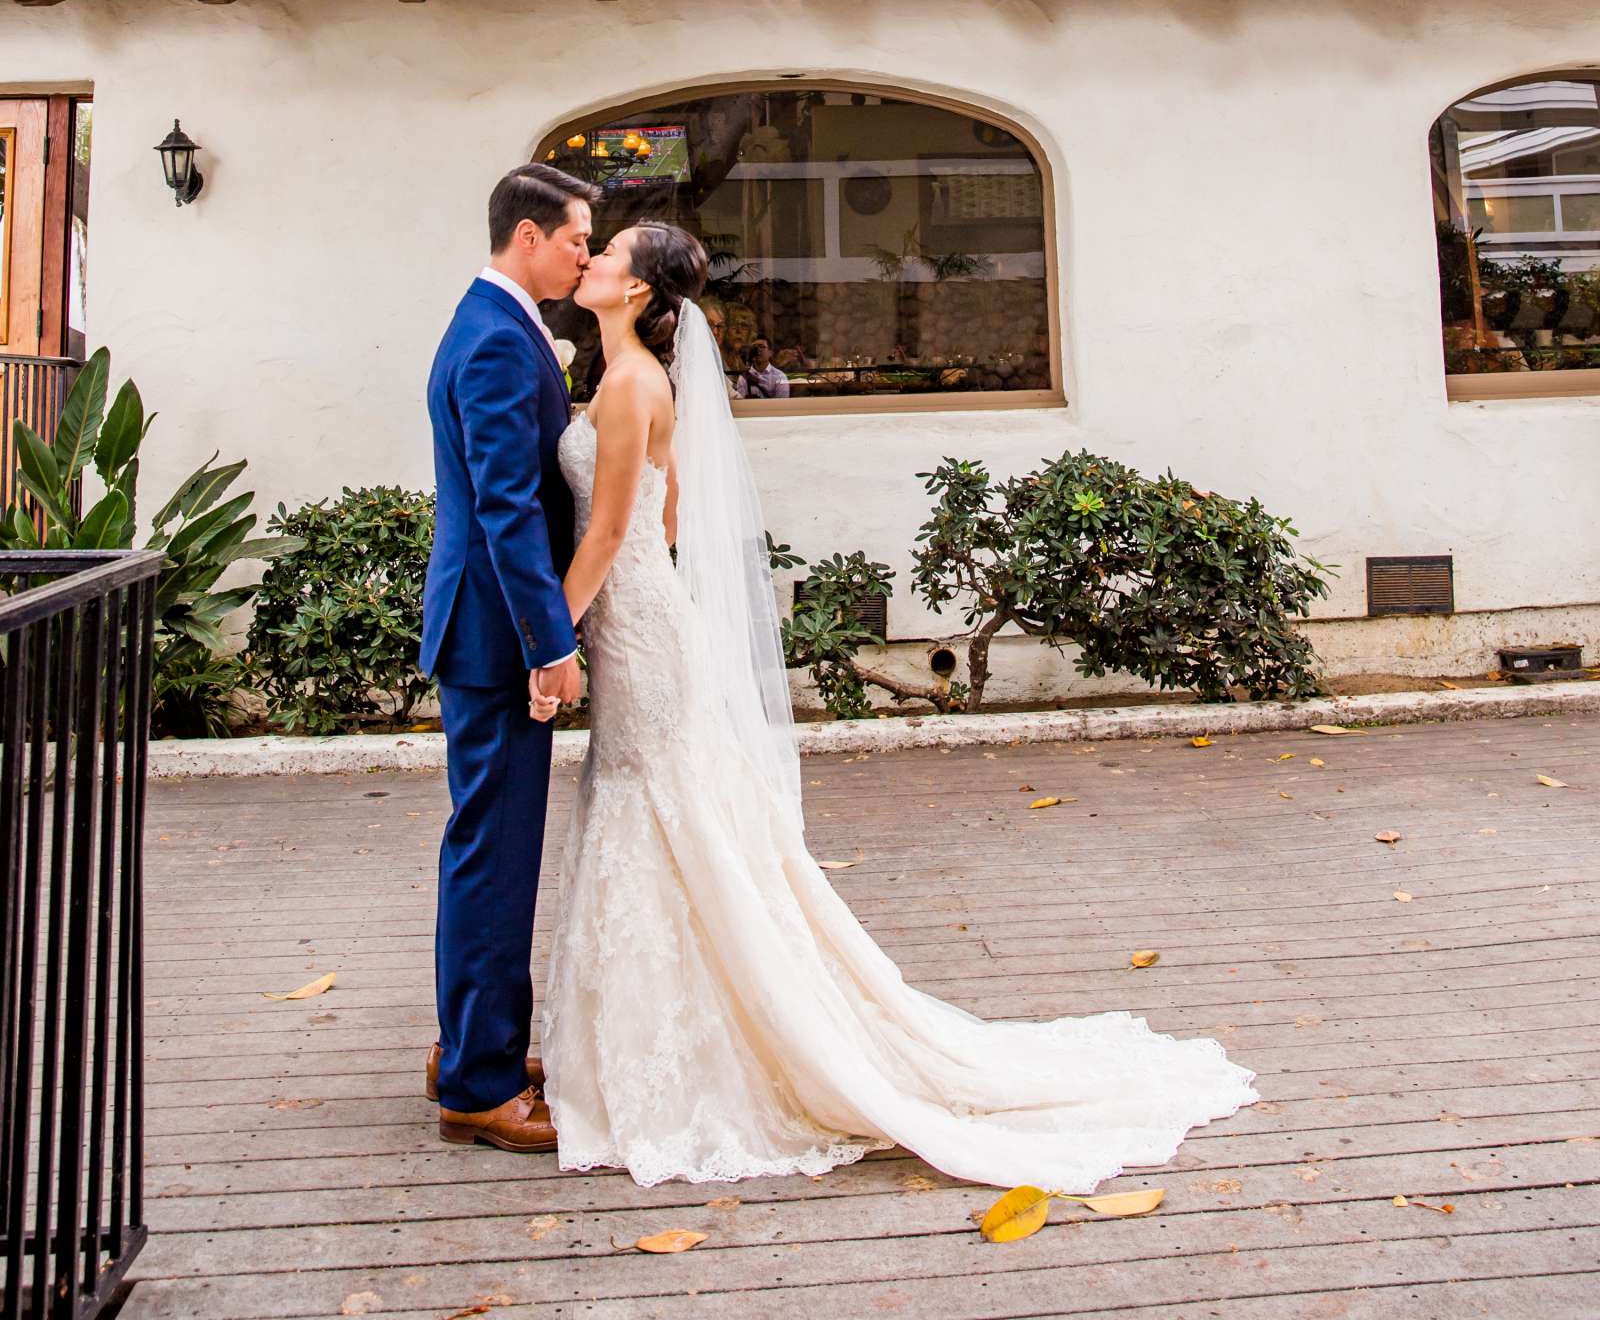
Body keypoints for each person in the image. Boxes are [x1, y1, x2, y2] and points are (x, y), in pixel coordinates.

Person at [530, 220, 1256, 1190]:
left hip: (638, 627)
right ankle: (650, 1035)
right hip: (646, 615)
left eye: (610, 253)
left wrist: (552, 641)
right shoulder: (624, 378)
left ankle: (690, 1047)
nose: (593, 262)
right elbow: (659, 520)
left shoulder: (627, 385)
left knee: (657, 807)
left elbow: (619, 525)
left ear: (637, 290)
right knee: (663, 811)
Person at [420, 162, 592, 1153]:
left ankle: (470, 1044)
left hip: (484, 632)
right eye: (574, 238)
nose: (582, 253)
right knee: (495, 857)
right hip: (495, 641)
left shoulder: (499, 322)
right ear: (527, 237)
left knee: (482, 849)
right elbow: (505, 505)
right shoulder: (493, 339)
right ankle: (480, 1086)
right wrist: (549, 643)